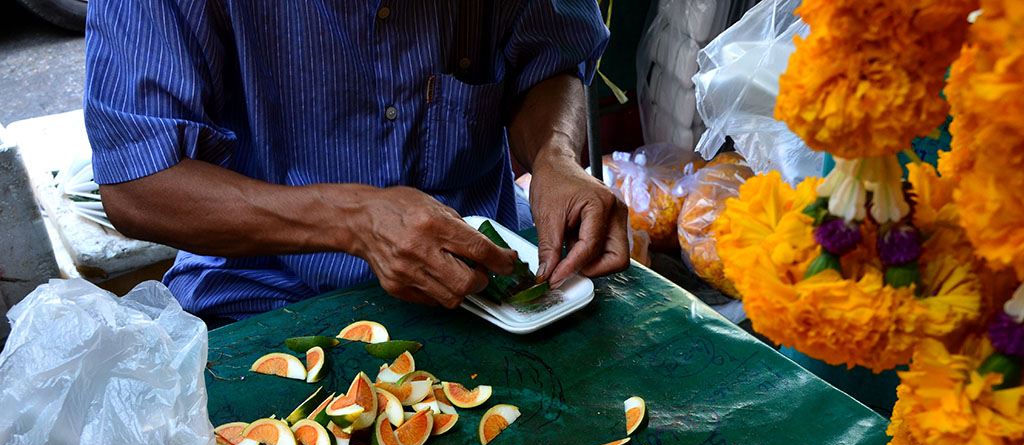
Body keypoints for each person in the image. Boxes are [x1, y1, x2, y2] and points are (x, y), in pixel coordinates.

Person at [83, 1, 630, 325]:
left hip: (487, 285)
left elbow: (549, 59)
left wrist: (554, 156)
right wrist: (355, 220)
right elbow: (138, 185)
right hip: (263, 293)